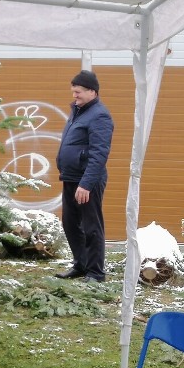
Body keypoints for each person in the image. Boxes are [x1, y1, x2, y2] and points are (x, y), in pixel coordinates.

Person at [55, 70, 114, 283]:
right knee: (70, 224)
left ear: (92, 92)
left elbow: (99, 153)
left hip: (87, 180)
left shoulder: (100, 115)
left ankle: (96, 273)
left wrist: (86, 184)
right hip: (70, 177)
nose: (75, 96)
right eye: (73, 92)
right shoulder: (78, 111)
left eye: (78, 92)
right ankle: (81, 264)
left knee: (91, 226)